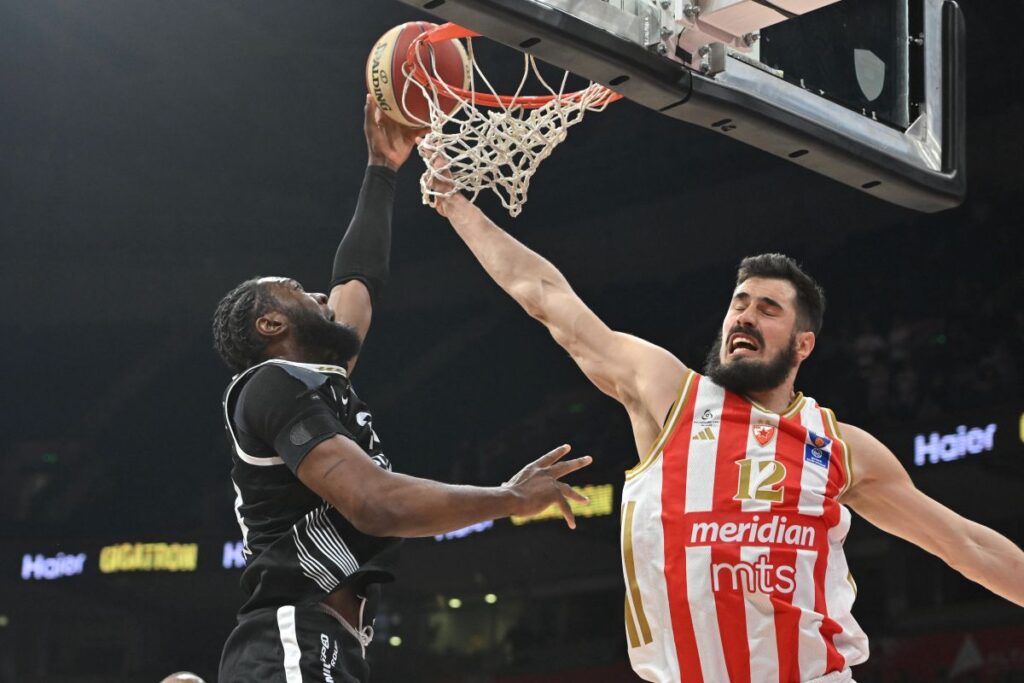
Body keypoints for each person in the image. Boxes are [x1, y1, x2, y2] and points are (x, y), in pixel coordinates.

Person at [423, 169, 1024, 683]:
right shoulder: (670, 396)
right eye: (739, 303)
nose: (745, 315)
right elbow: (545, 297)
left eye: (768, 309)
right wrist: (455, 205)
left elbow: (964, 544)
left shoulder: (841, 447)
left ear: (803, 342)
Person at [211, 99, 590, 683]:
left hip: (329, 640)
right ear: (270, 325)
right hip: (293, 635)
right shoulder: (267, 387)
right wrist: (508, 499)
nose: (316, 292)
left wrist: (382, 167)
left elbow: (358, 278)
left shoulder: (316, 374)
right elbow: (375, 503)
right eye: (293, 290)